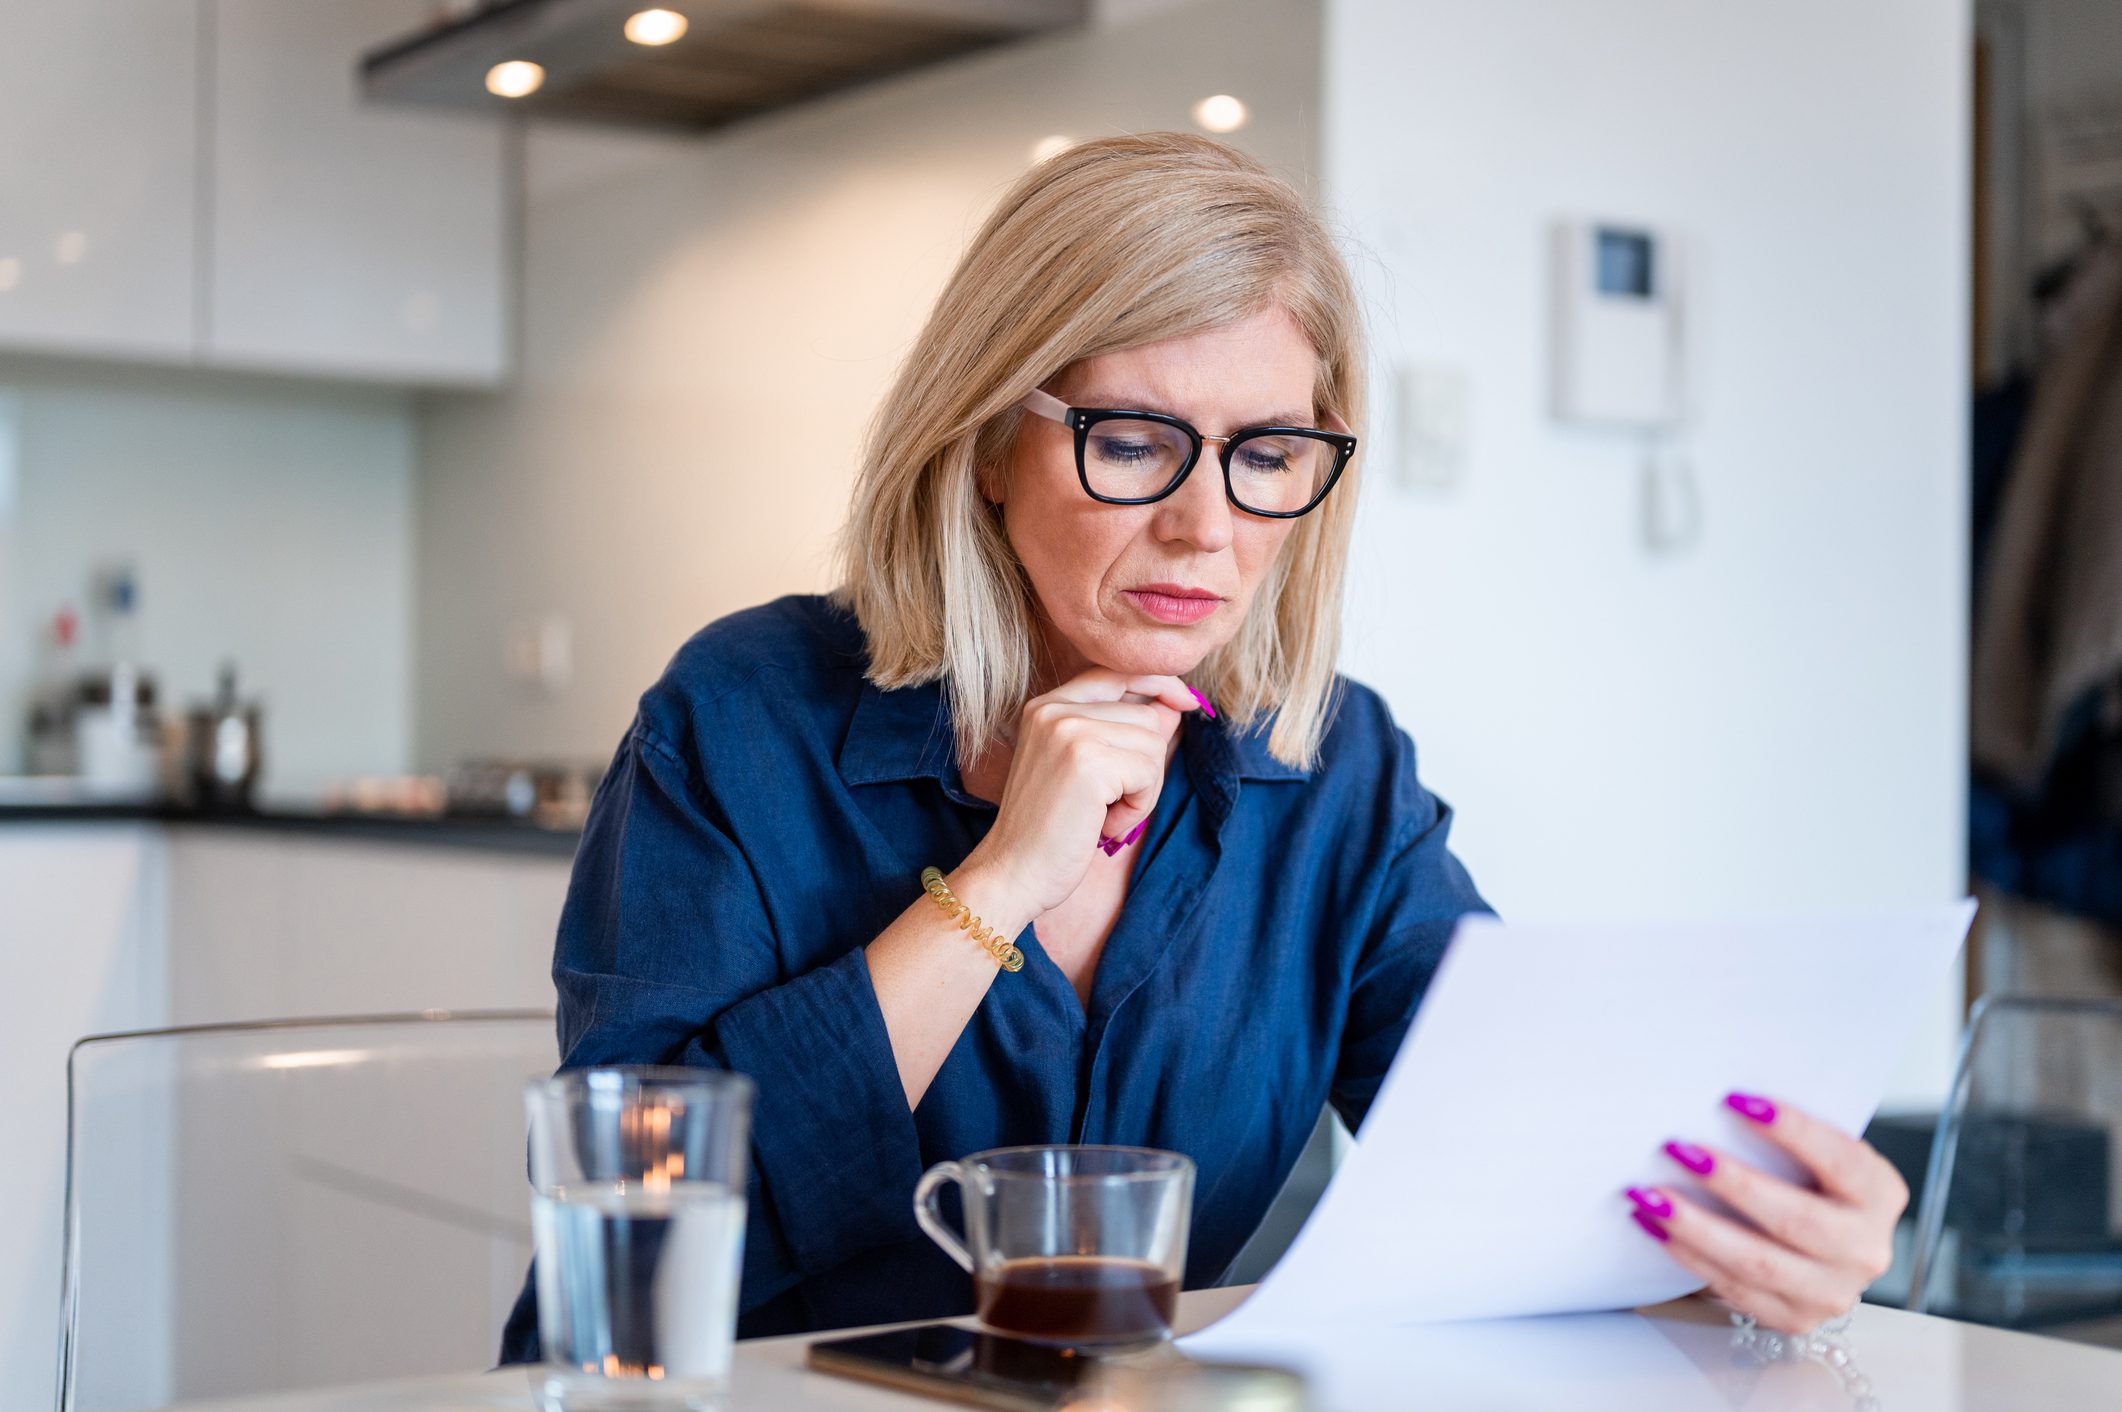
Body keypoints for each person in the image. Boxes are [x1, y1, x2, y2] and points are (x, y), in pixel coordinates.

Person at [501, 132, 1904, 1355]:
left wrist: (1751, 1248)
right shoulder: (750, 711)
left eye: (1267, 452)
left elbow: (1509, 1177)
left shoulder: (1330, 770)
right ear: (989, 443)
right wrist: (997, 884)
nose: (1207, 526)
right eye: (1130, 441)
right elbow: (636, 1224)